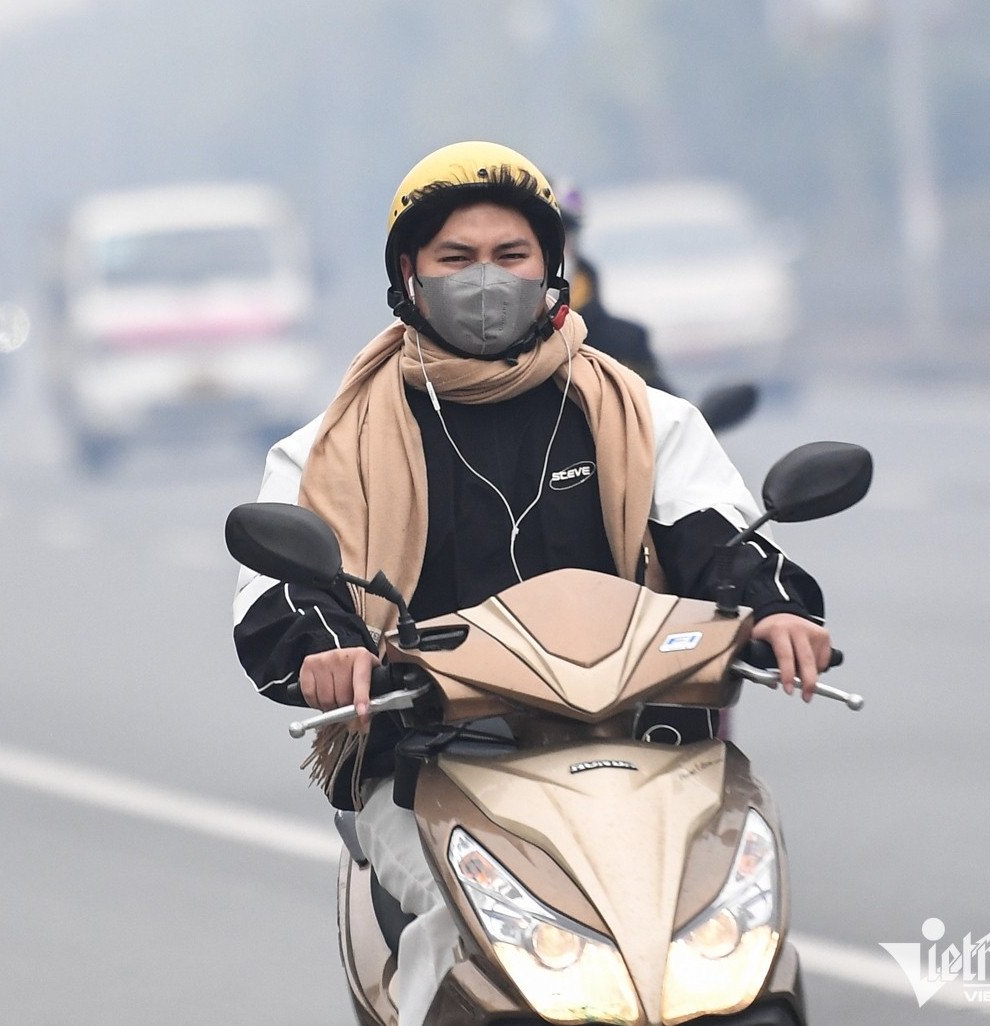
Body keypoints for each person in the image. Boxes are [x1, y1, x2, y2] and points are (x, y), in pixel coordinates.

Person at [229, 142, 830, 1026]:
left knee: (742, 944)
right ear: (409, 273)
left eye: (511, 256)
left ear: (552, 267)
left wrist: (778, 613)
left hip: (654, 753)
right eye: (456, 259)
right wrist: (329, 649)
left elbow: (723, 540)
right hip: (432, 774)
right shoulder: (330, 449)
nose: (487, 281)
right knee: (457, 936)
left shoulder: (642, 417)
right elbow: (278, 589)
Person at [558, 178, 673, 392]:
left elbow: (662, 415)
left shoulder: (626, 342)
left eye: (556, 237)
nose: (548, 254)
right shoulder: (480, 350)